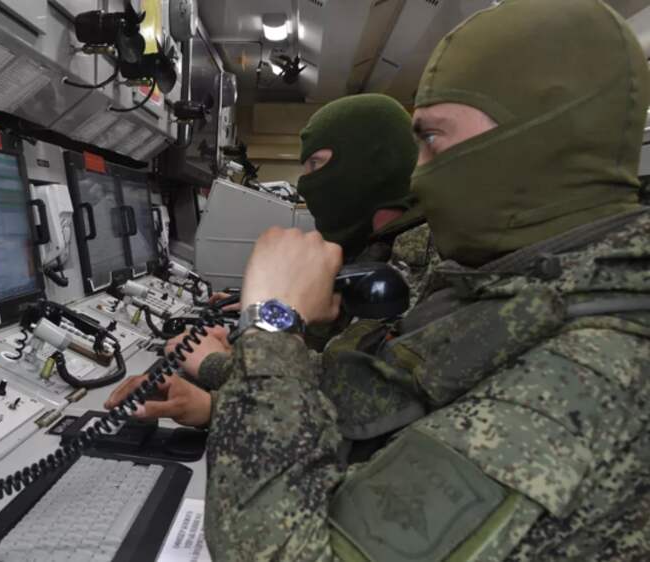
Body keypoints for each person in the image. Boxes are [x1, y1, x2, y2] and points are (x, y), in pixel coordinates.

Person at [196, 0, 650, 560]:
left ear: (539, 134)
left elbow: (274, 549)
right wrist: (230, 385)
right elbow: (383, 403)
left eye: (433, 139)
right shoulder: (529, 288)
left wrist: (271, 324)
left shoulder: (596, 367)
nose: (419, 176)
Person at [105, 95, 433, 422]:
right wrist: (217, 399)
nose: (306, 183)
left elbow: (354, 394)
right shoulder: (371, 248)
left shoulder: (418, 260)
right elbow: (333, 348)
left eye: (316, 165)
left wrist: (217, 364)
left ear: (370, 164)